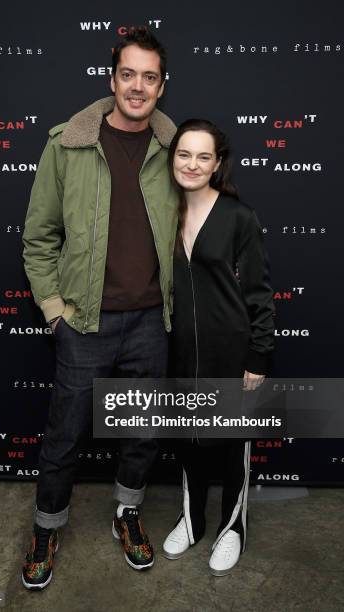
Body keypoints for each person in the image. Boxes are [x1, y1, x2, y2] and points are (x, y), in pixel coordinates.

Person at [21, 27, 178, 589]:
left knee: (141, 432)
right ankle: (46, 526)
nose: (138, 87)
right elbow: (38, 236)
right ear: (112, 79)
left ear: (162, 85)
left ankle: (127, 514)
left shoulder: (174, 148)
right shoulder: (67, 143)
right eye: (128, 74)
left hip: (149, 323)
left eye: (150, 77)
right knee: (65, 435)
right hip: (83, 322)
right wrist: (53, 309)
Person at [162, 119, 275, 575]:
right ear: (172, 159)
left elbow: (260, 294)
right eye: (184, 154)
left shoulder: (238, 217)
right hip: (180, 353)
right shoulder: (163, 211)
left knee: (232, 448)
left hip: (231, 353)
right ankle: (191, 520)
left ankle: (233, 528)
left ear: (217, 164)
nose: (192, 164)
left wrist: (258, 354)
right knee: (189, 443)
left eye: (203, 156)